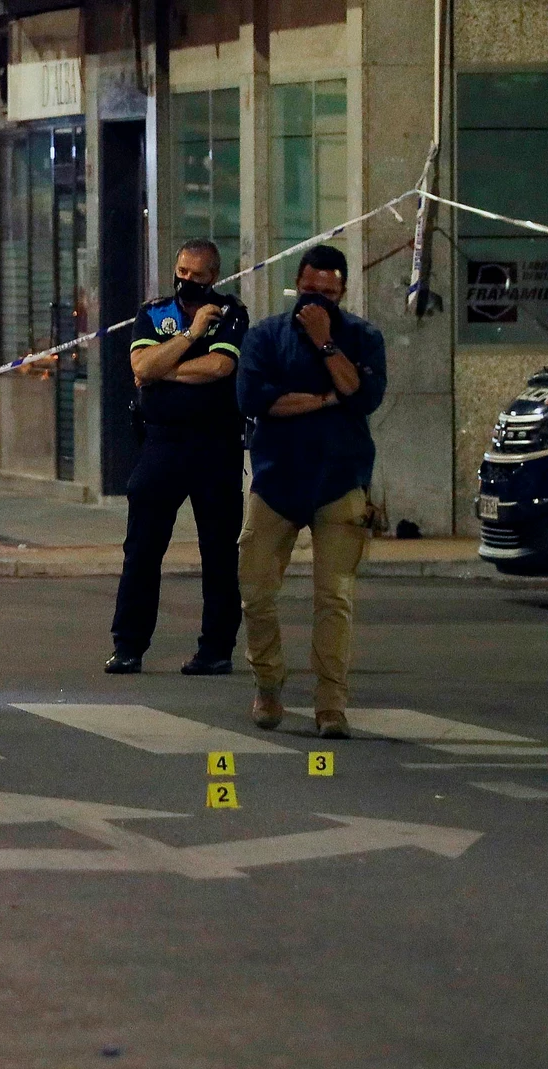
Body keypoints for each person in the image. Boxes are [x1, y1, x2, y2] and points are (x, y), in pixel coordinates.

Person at [236, 245, 386, 740]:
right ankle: (269, 683)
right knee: (256, 591)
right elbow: (256, 401)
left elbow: (364, 396)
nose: (317, 300)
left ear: (342, 291)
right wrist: (326, 398)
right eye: (309, 290)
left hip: (340, 481)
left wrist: (326, 344)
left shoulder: (361, 337)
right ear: (295, 285)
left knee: (335, 597)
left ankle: (331, 706)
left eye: (327, 292)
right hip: (277, 480)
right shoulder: (265, 337)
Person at [106, 239, 249, 676]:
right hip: (162, 444)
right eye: (182, 273)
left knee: (219, 551)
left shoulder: (231, 313)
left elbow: (219, 369)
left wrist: (162, 368)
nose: (187, 282)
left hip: (217, 444)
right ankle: (129, 645)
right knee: (142, 549)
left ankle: (216, 648)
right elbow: (140, 367)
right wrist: (189, 337)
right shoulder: (154, 313)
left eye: (198, 277)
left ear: (214, 278)